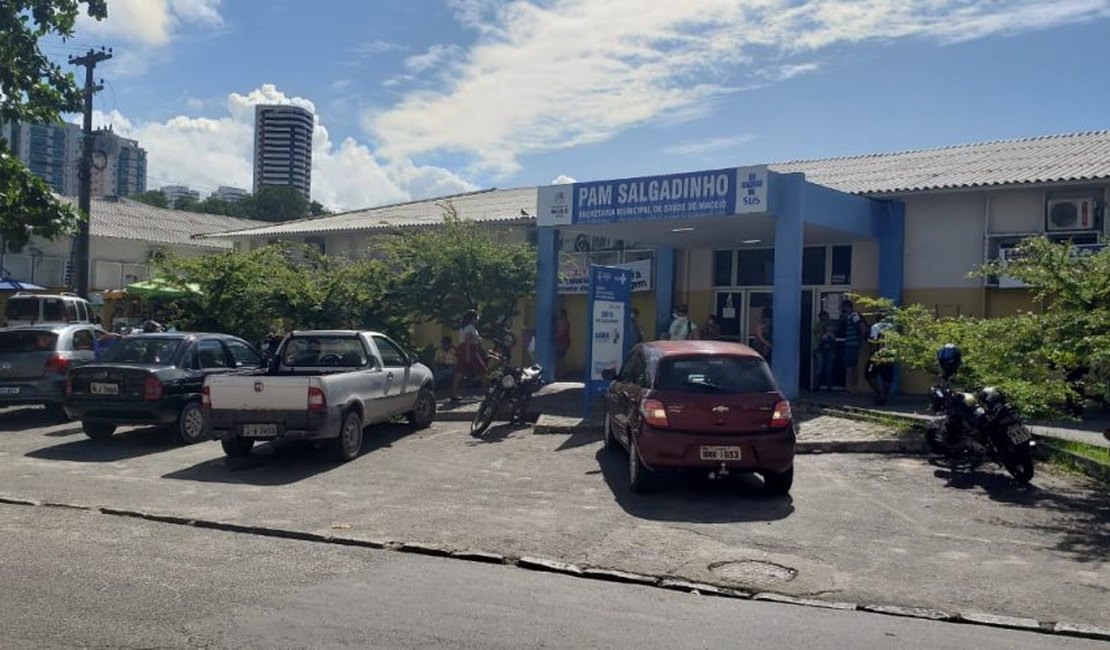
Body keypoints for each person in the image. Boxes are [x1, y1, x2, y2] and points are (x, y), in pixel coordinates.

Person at [450, 310, 488, 401]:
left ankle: (453, 393)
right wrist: (468, 355)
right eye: (476, 318)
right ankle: (489, 391)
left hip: (465, 349)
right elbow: (467, 341)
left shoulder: (465, 328)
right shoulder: (470, 328)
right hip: (470, 350)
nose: (478, 320)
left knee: (460, 372)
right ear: (472, 318)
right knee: (482, 370)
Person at [866, 313, 896, 405]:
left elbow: (873, 341)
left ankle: (880, 393)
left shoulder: (875, 327)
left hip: (878, 354)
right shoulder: (892, 327)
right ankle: (885, 396)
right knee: (886, 378)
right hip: (889, 355)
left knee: (869, 374)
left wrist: (872, 354)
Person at [838, 299, 866, 393]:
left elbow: (861, 325)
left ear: (845, 306)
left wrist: (862, 339)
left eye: (842, 306)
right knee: (852, 366)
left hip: (853, 344)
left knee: (849, 366)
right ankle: (853, 388)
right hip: (852, 343)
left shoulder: (853, 315)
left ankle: (851, 388)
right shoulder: (849, 315)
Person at [813, 310, 837, 391]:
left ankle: (829, 387)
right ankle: (816, 386)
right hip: (820, 349)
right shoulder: (817, 326)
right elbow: (816, 336)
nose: (826, 318)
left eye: (826, 316)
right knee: (819, 368)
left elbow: (833, 335)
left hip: (830, 349)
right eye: (824, 316)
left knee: (829, 368)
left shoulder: (831, 326)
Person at [554, 308, 571, 375]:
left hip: (562, 341)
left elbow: (562, 331)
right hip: (563, 341)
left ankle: (562, 372)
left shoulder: (564, 321)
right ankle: (562, 371)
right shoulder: (564, 321)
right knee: (560, 357)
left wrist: (555, 336)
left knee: (559, 358)